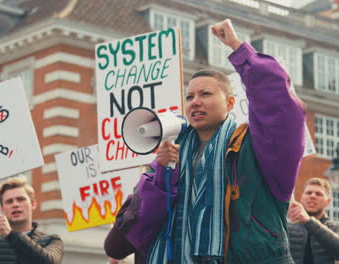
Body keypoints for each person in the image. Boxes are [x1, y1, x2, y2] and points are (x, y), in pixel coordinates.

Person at [104, 19, 305, 264]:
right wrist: (162, 177)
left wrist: (239, 49)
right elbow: (120, 241)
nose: (194, 102)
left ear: (230, 104)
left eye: (205, 94)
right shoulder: (168, 159)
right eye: (189, 96)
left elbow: (279, 106)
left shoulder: (258, 149)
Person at [0, 176, 64, 263]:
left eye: (20, 199)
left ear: (33, 204)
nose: (15, 204)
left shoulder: (51, 240)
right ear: (2, 209)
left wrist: (10, 234)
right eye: (9, 201)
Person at [287, 177, 339, 264]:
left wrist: (308, 221)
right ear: (302, 198)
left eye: (318, 194)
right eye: (308, 193)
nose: (312, 196)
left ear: (328, 202)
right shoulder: (288, 226)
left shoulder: (338, 227)